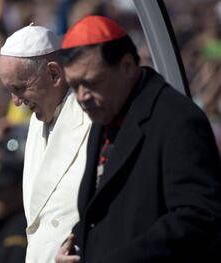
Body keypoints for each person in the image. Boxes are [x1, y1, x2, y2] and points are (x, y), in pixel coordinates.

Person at [55, 15, 221, 263]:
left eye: (91, 83)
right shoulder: (106, 112)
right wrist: (75, 245)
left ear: (127, 66)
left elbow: (198, 217)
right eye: (74, 85)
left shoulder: (176, 118)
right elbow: (107, 207)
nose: (82, 97)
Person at [0, 25, 92, 262]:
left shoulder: (95, 118)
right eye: (10, 91)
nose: (16, 102)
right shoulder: (36, 123)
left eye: (20, 89)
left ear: (53, 74)